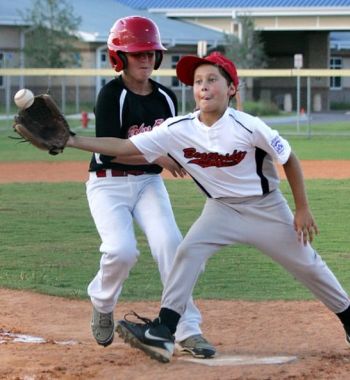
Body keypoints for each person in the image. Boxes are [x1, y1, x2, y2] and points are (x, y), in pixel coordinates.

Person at [66, 51, 350, 363]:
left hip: (266, 208)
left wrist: (302, 208)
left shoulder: (249, 126)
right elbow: (124, 146)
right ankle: (164, 331)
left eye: (212, 80)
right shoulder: (179, 128)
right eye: (197, 81)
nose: (203, 86)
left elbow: (289, 159)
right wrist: (71, 140)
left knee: (307, 264)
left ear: (231, 89)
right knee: (187, 253)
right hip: (220, 210)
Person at [85, 15, 215, 359]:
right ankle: (102, 302)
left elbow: (174, 144)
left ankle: (187, 329)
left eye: (150, 53)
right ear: (120, 57)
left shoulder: (166, 98)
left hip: (148, 185)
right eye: (137, 53)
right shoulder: (111, 96)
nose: (145, 59)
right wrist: (158, 158)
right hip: (108, 185)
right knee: (121, 251)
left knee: (172, 248)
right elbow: (108, 154)